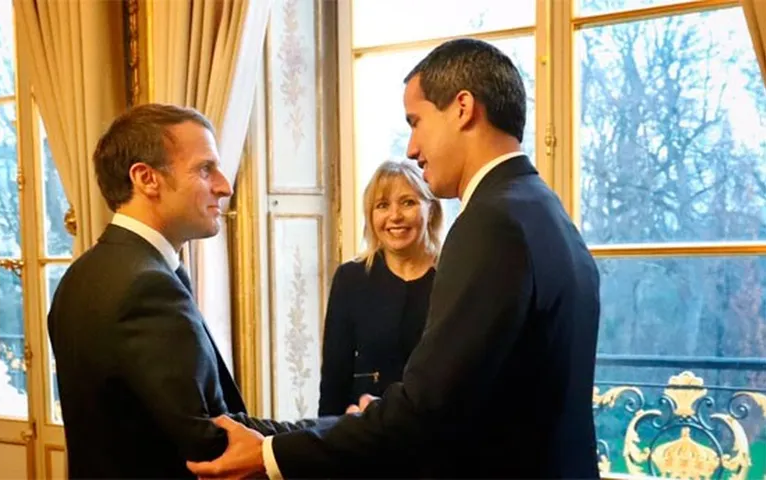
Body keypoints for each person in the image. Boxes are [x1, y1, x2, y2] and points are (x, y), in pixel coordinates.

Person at [188, 37, 602, 479]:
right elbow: (485, 395)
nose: (411, 147)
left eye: (416, 121)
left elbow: (427, 409)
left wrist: (270, 453)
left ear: (463, 108)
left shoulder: (491, 222)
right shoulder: (543, 208)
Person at [47, 104, 325, 479]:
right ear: (147, 179)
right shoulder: (147, 286)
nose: (225, 186)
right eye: (205, 168)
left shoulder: (83, 273)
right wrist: (337, 431)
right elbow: (212, 442)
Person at [318, 160, 442, 416]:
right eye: (382, 205)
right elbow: (334, 376)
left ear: (432, 210)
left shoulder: (454, 275)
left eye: (408, 202)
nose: (395, 216)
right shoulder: (350, 278)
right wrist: (327, 439)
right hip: (364, 432)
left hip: (436, 432)